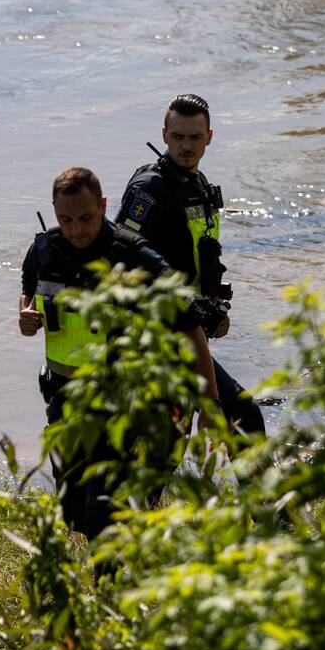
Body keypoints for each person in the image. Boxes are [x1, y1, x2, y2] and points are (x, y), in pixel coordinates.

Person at [19, 167, 220, 540]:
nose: (76, 229)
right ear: (53, 210)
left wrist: (209, 404)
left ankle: (111, 591)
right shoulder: (45, 251)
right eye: (66, 219)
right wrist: (26, 314)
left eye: (86, 218)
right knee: (74, 512)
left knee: (103, 511)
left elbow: (190, 325)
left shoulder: (135, 257)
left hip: (127, 403)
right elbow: (30, 289)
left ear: (103, 205)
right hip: (68, 400)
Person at [115, 93, 266, 434]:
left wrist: (212, 307)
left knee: (215, 425)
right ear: (165, 135)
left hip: (189, 331)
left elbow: (200, 257)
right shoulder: (149, 189)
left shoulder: (196, 184)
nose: (186, 146)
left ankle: (255, 488)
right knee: (238, 417)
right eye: (178, 136)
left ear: (209, 138)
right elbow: (121, 261)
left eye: (195, 137)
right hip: (157, 338)